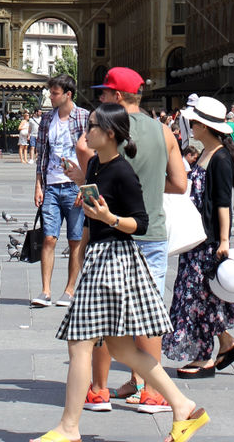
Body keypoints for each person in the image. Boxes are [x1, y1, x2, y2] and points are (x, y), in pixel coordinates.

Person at [30, 102, 209, 442]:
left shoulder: (123, 171)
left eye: (92, 126)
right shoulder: (97, 165)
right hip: (101, 257)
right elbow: (101, 205)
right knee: (122, 349)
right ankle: (183, 406)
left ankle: (69, 428)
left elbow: (139, 222)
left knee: (79, 343)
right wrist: (84, 188)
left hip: (112, 260)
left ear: (110, 133)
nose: (86, 132)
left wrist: (108, 218)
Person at [84, 65, 187, 413]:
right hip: (152, 232)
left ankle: (98, 390)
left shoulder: (105, 129)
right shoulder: (164, 131)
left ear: (117, 96)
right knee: (149, 314)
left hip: (112, 234)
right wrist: (149, 188)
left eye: (104, 93)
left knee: (103, 314)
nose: (100, 98)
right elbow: (180, 183)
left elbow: (90, 170)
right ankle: (151, 392)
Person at [163, 95, 234, 380]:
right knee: (204, 296)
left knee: (197, 297)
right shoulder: (206, 153)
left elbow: (223, 203)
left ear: (204, 126)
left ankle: (204, 357)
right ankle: (226, 344)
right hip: (195, 235)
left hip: (207, 240)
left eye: (194, 123)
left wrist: (224, 241)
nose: (191, 126)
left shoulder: (220, 157)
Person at [33, 73, 91, 308]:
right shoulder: (47, 119)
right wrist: (38, 184)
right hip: (52, 185)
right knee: (48, 238)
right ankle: (45, 291)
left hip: (75, 187)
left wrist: (85, 185)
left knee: (75, 240)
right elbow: (42, 154)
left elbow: (92, 153)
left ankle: (69, 290)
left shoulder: (84, 117)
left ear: (68, 94)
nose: (51, 96)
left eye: (55, 93)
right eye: (51, 92)